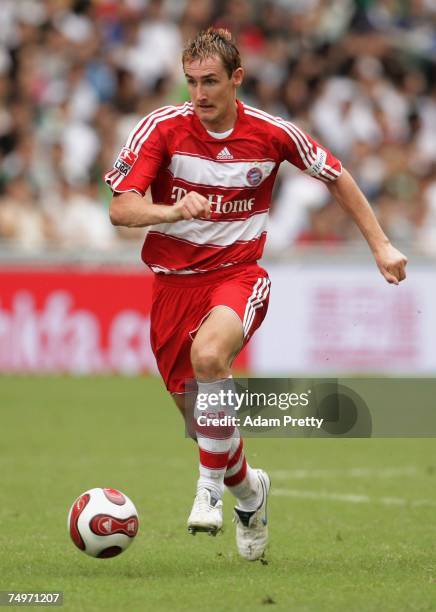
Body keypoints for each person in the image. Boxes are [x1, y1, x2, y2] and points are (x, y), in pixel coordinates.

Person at [105, 28, 407, 561]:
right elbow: (121, 207)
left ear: (237, 78)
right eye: (192, 82)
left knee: (209, 357)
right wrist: (171, 210)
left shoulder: (271, 134)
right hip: (172, 288)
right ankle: (249, 493)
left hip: (238, 275)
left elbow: (336, 175)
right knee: (203, 424)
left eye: (211, 82)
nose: (199, 94)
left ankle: (206, 494)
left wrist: (380, 245)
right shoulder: (162, 129)